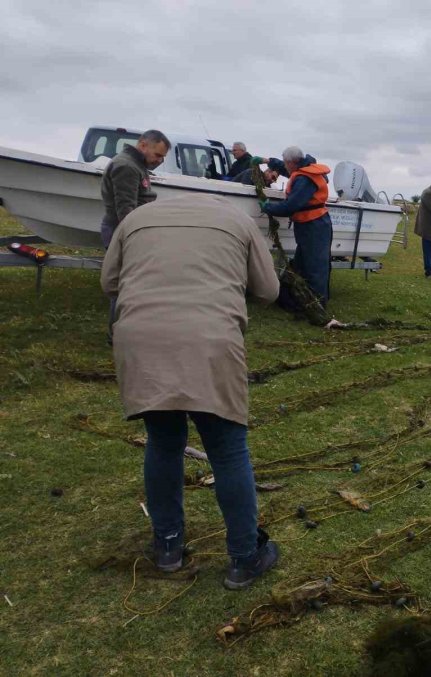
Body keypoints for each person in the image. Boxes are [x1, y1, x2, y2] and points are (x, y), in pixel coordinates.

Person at [100, 194, 281, 589]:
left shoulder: (136, 218)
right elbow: (268, 290)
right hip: (210, 340)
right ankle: (244, 557)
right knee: (228, 448)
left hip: (141, 338)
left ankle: (167, 547)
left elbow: (109, 282)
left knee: (163, 442)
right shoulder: (239, 219)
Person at [100, 129, 171, 341]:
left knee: (131, 282)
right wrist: (136, 239)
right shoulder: (127, 167)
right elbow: (126, 213)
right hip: (123, 231)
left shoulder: (136, 165)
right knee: (124, 283)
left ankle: (126, 330)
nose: (160, 160)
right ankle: (118, 334)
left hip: (127, 230)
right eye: (158, 155)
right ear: (143, 145)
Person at [255, 147, 333, 306]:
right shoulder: (303, 168)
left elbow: (290, 206)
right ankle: (302, 299)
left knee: (315, 266)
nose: (284, 166)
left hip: (314, 226)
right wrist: (267, 161)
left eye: (285, 162)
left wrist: (267, 207)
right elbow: (284, 168)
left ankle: (317, 303)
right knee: (302, 263)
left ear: (292, 162)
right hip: (311, 224)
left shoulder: (305, 179)